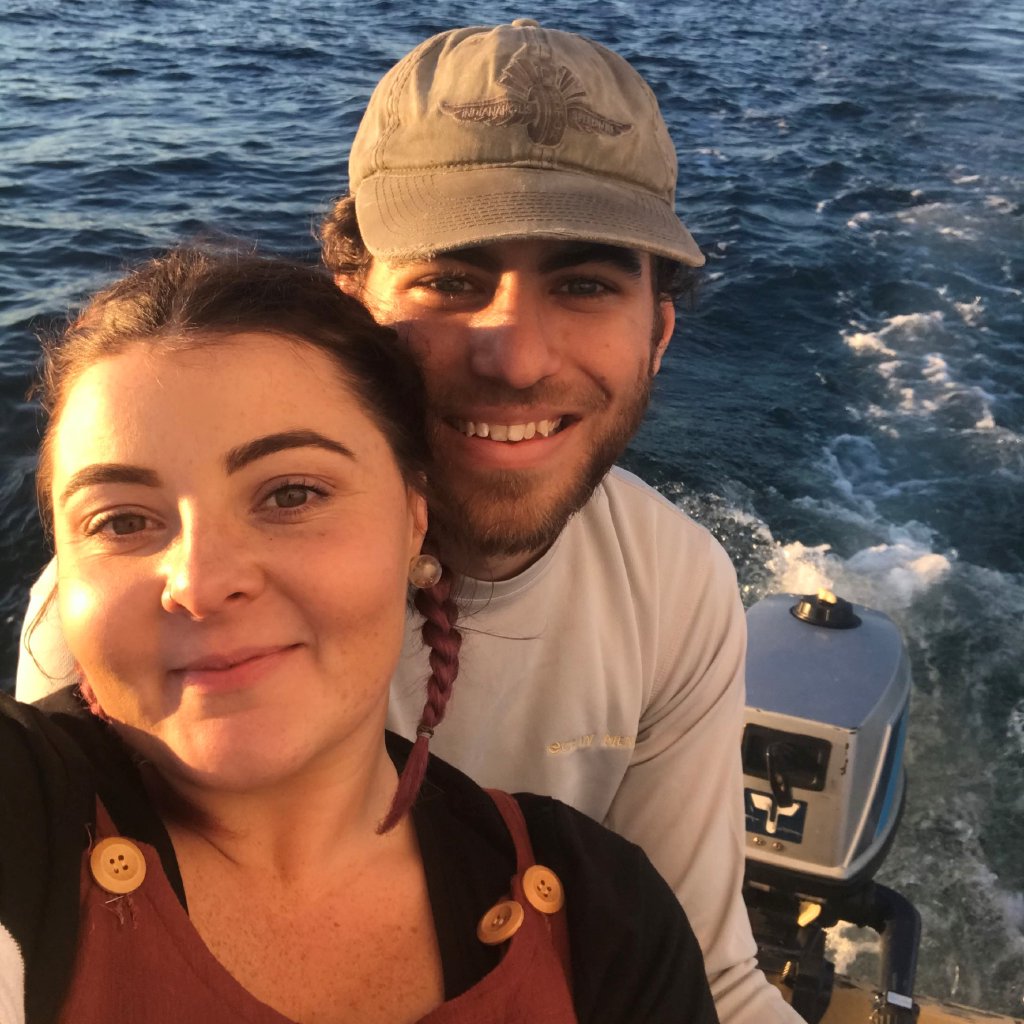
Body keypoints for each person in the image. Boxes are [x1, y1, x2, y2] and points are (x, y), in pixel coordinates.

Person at [16, 21, 802, 1023]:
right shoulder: (131, 620)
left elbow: (704, 977)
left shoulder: (675, 585)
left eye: (583, 282)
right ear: (354, 307)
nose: (515, 357)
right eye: (450, 280)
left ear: (658, 330)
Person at [1, 248, 719, 1024]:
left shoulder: (606, 917)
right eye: (122, 521)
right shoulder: (26, 811)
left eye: (291, 494)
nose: (201, 584)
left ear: (415, 519)